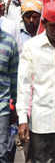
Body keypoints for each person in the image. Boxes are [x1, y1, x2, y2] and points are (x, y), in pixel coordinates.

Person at [16, 1, 55, 163]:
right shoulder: (32, 46)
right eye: (53, 26)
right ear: (44, 24)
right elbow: (23, 84)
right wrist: (23, 118)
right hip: (42, 120)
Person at [0, 23, 19, 163]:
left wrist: (15, 106)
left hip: (2, 109)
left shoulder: (10, 42)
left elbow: (14, 77)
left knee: (2, 153)